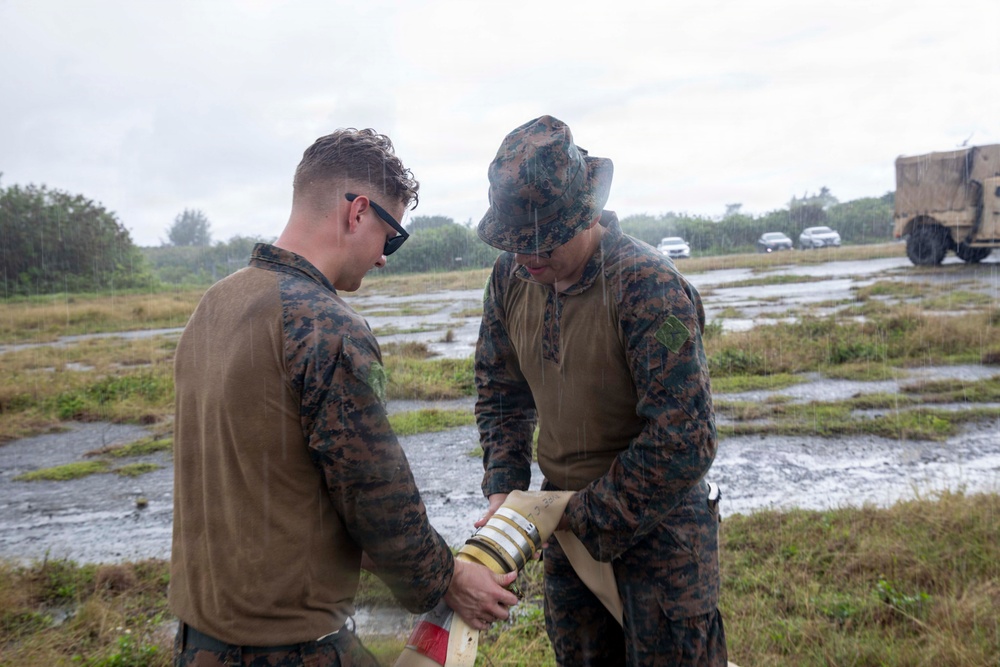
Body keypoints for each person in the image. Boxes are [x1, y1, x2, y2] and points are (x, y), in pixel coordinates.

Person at [169, 128, 519, 666]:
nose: (384, 258)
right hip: (288, 647)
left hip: (199, 643)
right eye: (391, 235)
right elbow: (374, 498)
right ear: (357, 212)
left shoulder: (214, 306)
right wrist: (450, 579)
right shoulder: (326, 326)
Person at [473, 115, 727, 666]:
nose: (527, 260)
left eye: (541, 244)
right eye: (514, 244)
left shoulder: (647, 285)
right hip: (564, 526)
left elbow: (687, 437)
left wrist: (579, 512)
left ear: (582, 215)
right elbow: (499, 392)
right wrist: (505, 487)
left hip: (661, 535)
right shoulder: (509, 279)